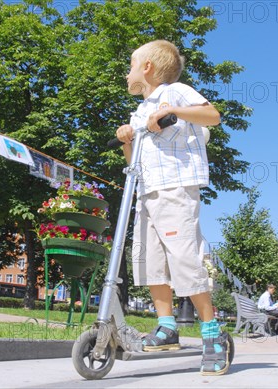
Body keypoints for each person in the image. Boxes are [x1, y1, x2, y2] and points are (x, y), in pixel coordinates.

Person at [115, 40, 224, 375]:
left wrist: (172, 113)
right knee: (148, 260)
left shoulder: (174, 91)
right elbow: (133, 162)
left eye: (131, 64)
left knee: (183, 258)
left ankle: (211, 331)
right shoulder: (139, 111)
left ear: (147, 67)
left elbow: (212, 116)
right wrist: (126, 141)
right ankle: (167, 327)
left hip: (175, 189)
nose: (128, 72)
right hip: (146, 192)